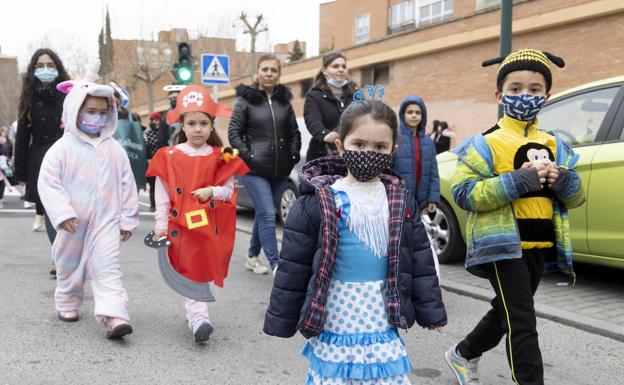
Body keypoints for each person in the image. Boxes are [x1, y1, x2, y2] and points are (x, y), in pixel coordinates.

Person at [263, 97, 447, 385]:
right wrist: (281, 318)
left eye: (379, 147)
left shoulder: (400, 200)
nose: (368, 153)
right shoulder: (318, 202)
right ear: (340, 145)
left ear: (393, 151)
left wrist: (430, 311)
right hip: (336, 309)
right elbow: (294, 266)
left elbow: (420, 257)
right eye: (359, 145)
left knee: (380, 375)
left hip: (380, 310)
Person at [445, 49, 585, 385]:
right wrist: (518, 181)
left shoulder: (556, 144)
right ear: (499, 94)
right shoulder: (484, 144)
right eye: (517, 88)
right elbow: (465, 194)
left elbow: (578, 195)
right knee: (523, 321)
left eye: (535, 90)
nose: (526, 96)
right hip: (502, 246)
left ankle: (462, 353)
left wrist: (562, 180)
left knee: (507, 311)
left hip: (541, 245)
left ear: (547, 96)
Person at [37, 65, 139, 339]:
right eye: (91, 112)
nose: (97, 118)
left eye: (102, 113)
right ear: (74, 112)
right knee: (68, 263)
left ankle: (114, 315)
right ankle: (68, 301)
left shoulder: (114, 149)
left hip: (106, 220)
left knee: (108, 266)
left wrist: (128, 218)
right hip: (72, 222)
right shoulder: (62, 149)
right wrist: (61, 213)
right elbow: (48, 183)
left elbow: (127, 184)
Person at [147, 85, 249, 343]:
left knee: (201, 269)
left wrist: (211, 191)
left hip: (208, 226)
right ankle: (199, 317)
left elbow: (228, 191)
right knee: (190, 269)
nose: (198, 129)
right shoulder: (167, 156)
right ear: (181, 125)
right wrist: (160, 225)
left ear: (212, 125)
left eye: (204, 123)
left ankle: (195, 311)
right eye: (191, 123)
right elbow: (162, 195)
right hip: (180, 226)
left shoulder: (220, 156)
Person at [228, 54, 301, 275]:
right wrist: (249, 157)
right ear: (257, 73)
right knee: (268, 214)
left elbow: (294, 133)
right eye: (265, 69)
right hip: (253, 170)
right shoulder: (245, 100)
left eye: (273, 70)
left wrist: (293, 155)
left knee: (263, 214)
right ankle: (275, 263)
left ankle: (252, 257)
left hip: (280, 170)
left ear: (279, 74)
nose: (269, 73)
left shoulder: (283, 103)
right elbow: (234, 133)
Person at [14, 48, 69, 239]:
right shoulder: (29, 98)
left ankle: (71, 255)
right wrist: (20, 172)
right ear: (33, 69)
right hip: (40, 159)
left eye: (50, 65)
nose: (46, 69)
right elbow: (22, 137)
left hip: (68, 157)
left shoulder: (70, 94)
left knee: (71, 208)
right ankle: (59, 256)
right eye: (40, 66)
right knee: (50, 210)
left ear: (58, 68)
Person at [304, 51, 357, 161]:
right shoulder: (314, 96)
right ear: (324, 71)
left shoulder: (356, 95)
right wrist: (325, 134)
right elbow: (312, 120)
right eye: (335, 66)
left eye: (344, 66)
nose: (341, 69)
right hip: (322, 155)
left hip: (352, 155)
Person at [393, 96, 440, 213]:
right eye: (410, 112)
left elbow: (433, 173)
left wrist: (433, 198)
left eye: (418, 112)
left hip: (421, 201)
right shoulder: (394, 140)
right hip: (398, 199)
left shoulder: (429, 142)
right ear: (402, 115)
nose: (414, 115)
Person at [144, 112, 162, 210]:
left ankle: (162, 205)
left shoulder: (162, 132)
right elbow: (146, 147)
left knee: (163, 184)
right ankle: (153, 205)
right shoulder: (147, 133)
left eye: (158, 120)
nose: (157, 122)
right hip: (151, 161)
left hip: (163, 161)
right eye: (154, 120)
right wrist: (149, 159)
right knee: (153, 184)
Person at [0, 127, 13, 209]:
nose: (3, 137)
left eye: (4, 135)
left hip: (4, 164)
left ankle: (1, 197)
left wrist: (8, 159)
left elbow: (10, 152)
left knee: (2, 181)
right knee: (2, 181)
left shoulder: (7, 143)